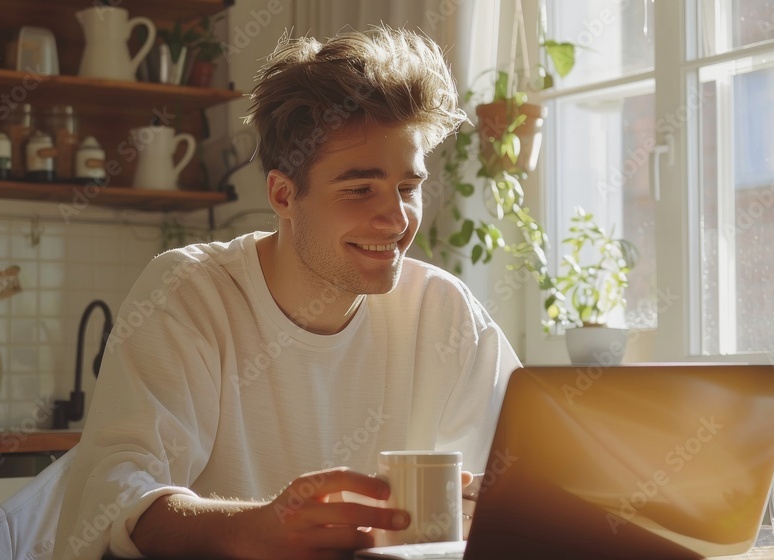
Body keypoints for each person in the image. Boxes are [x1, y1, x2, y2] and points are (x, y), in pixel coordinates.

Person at [54, 26, 522, 559]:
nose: (396, 220)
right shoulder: (192, 294)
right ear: (283, 193)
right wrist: (251, 529)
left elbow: (530, 470)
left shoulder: (443, 311)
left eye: (408, 188)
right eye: (359, 189)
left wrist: (505, 506)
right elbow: (112, 500)